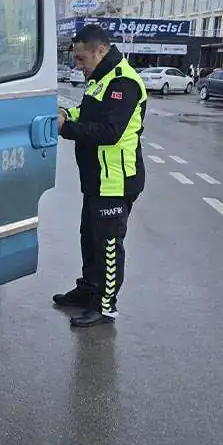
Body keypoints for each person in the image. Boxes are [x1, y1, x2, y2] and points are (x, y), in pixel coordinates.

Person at [53, 24, 148, 328]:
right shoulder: (101, 79)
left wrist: (65, 129)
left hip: (115, 180)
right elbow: (87, 111)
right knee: (89, 238)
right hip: (97, 178)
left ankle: (105, 306)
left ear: (101, 51)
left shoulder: (123, 82)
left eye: (82, 59)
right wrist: (68, 114)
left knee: (107, 244)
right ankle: (88, 290)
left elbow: (110, 131)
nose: (78, 66)